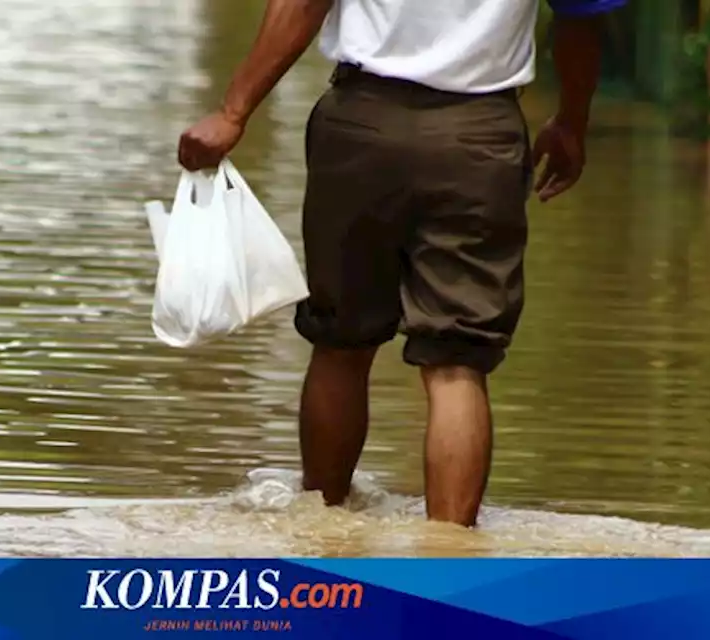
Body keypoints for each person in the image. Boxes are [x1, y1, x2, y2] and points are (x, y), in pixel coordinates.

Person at [177, 0, 624, 527]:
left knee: (341, 342)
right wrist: (572, 121)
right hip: (480, 139)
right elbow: (582, 19)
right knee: (458, 360)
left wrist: (234, 112)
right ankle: (450, 558)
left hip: (361, 127)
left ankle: (322, 534)